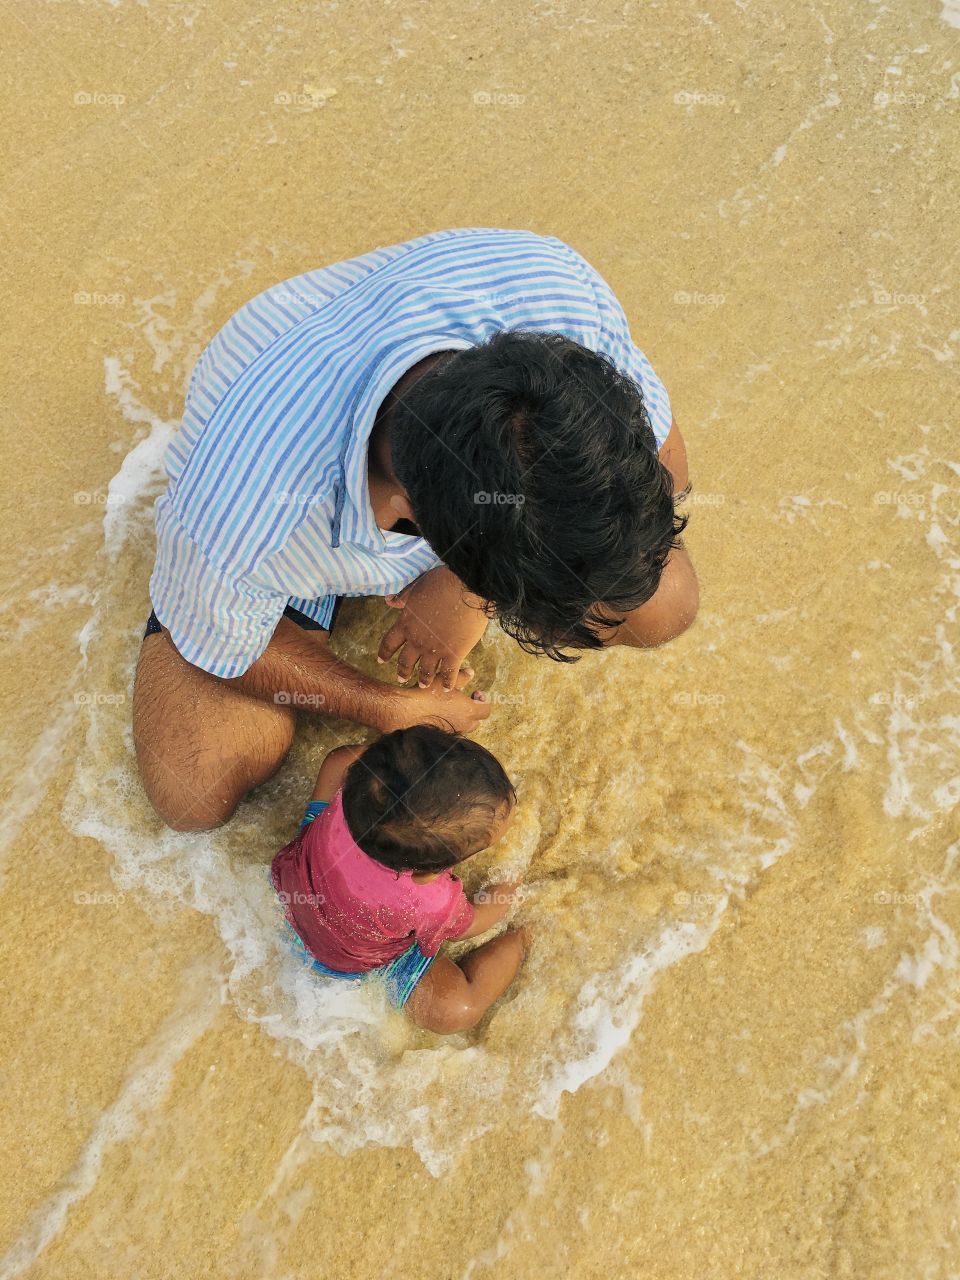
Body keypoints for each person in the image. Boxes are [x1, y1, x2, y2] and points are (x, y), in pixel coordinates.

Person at [134, 228, 698, 831]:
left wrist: (467, 590)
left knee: (664, 604)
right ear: (411, 521)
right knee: (193, 787)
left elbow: (666, 469)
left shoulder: (558, 300)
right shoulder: (237, 516)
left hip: (408, 483)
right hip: (286, 534)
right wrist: (387, 706)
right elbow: (224, 643)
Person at [271, 725, 526, 1033]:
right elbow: (468, 926)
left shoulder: (353, 771)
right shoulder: (430, 900)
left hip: (290, 885)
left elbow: (345, 760)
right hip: (356, 959)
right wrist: (508, 891)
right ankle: (525, 936)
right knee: (458, 1010)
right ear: (429, 873)